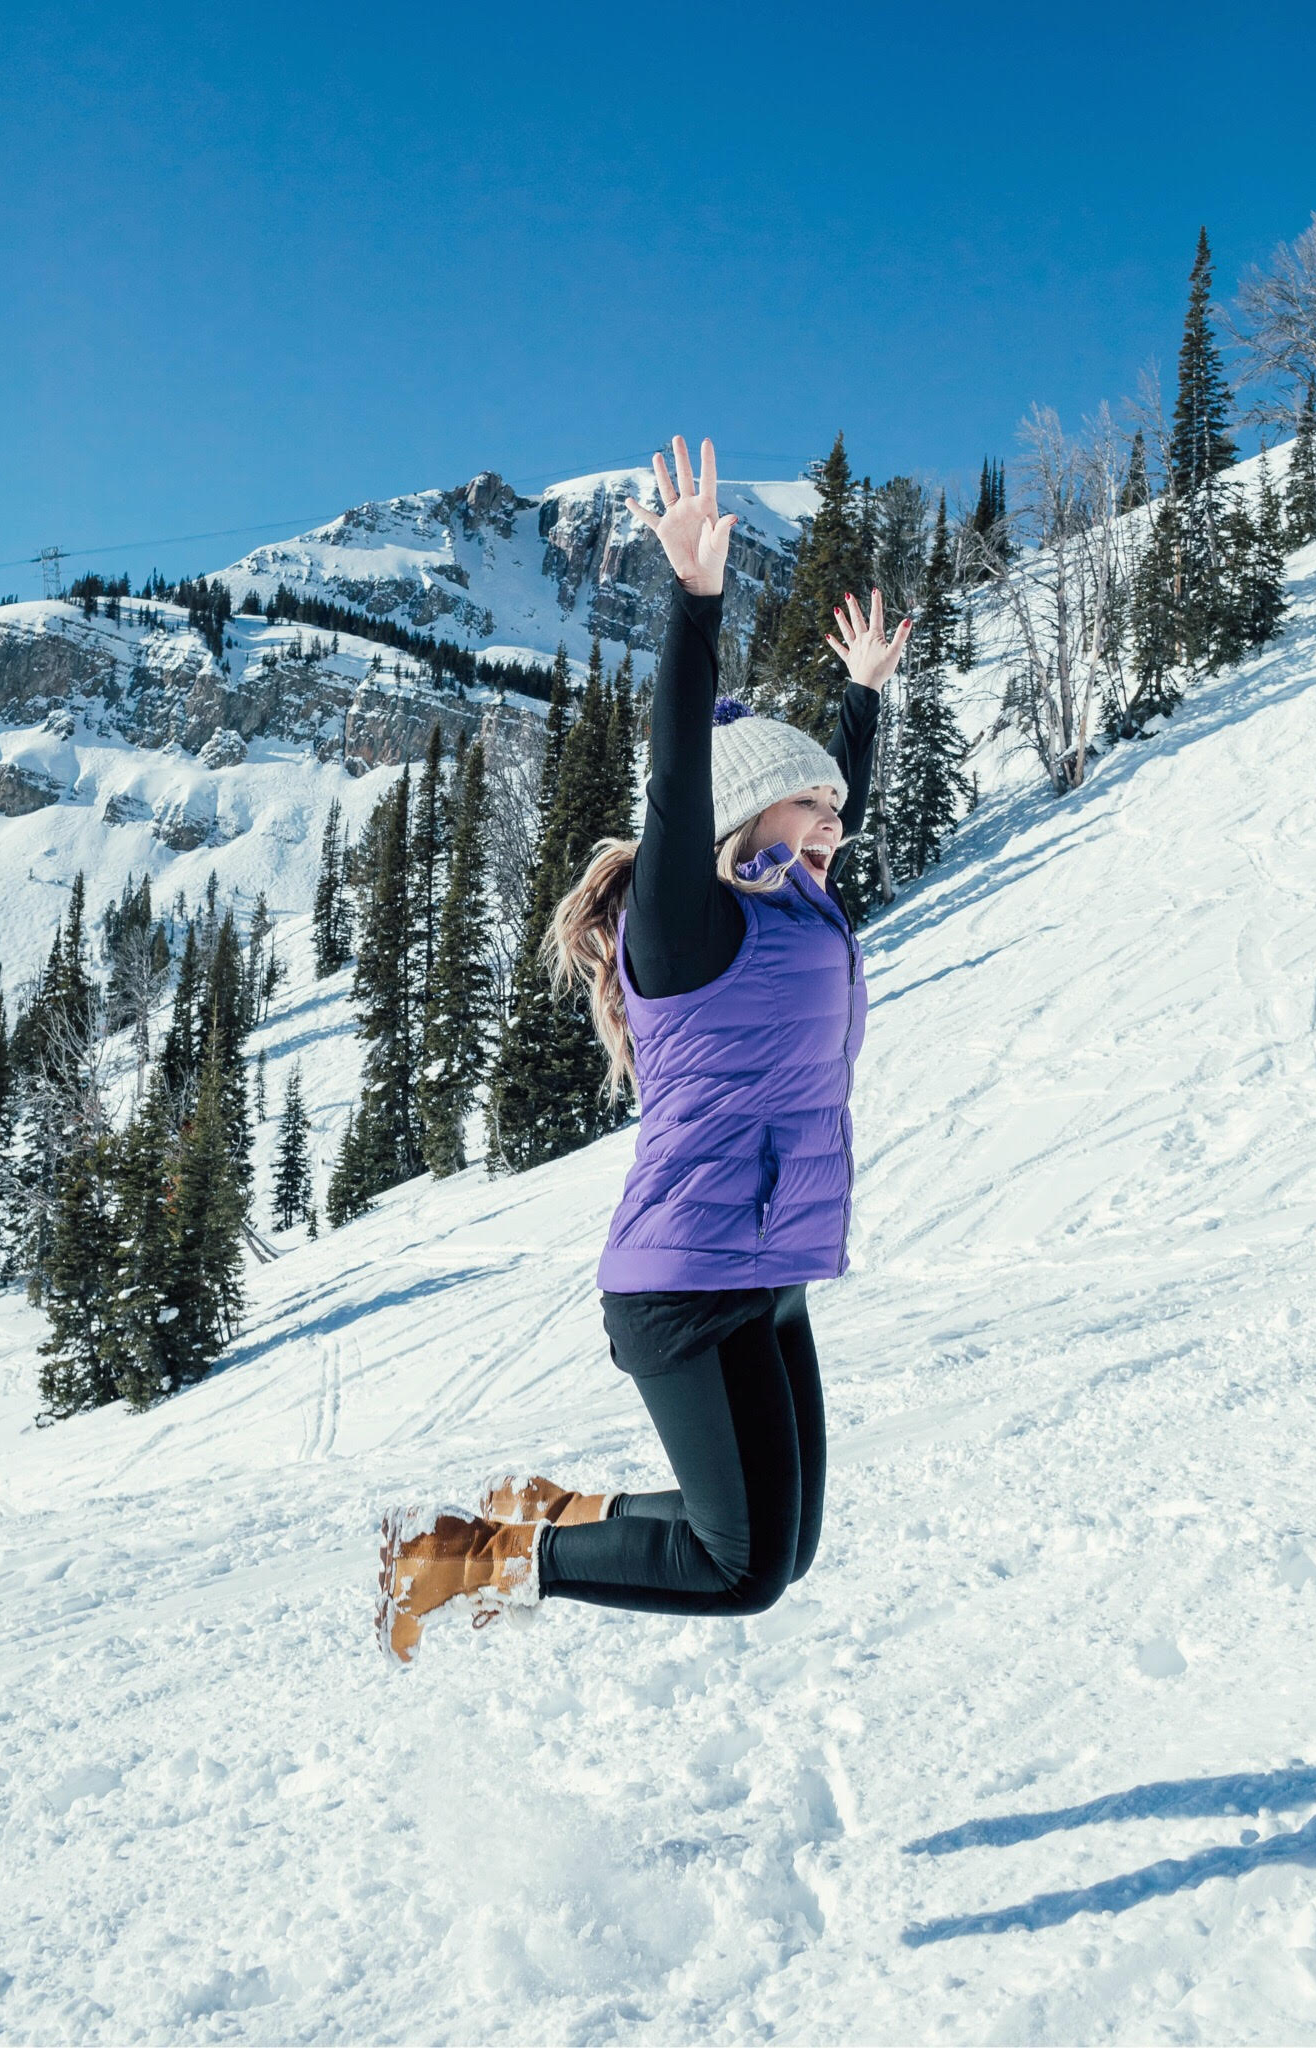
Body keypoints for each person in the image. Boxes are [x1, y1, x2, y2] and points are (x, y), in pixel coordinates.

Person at [377, 434, 911, 1662]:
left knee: (781, 1547)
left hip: (765, 1267)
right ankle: (463, 1556)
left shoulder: (798, 905)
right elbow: (682, 779)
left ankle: (541, 1516)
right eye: (812, 805)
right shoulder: (688, 927)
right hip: (685, 1280)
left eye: (836, 811)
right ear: (743, 821)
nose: (837, 823)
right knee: (739, 1568)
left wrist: (863, 701)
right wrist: (695, 598)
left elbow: (832, 803)